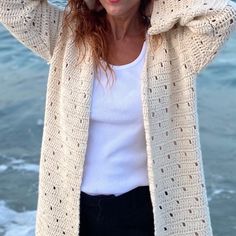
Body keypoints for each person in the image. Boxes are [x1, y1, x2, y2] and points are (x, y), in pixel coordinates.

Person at [0, 0, 236, 236]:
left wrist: (154, 7)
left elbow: (221, 15)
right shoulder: (65, 34)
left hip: (148, 212)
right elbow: (9, 6)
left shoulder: (175, 44)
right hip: (73, 213)